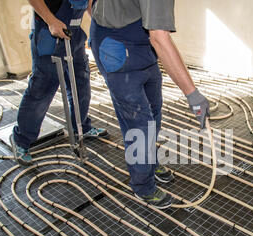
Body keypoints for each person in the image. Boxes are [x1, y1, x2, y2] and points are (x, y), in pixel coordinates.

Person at [89, 0, 210, 209]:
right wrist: (192, 95)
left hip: (142, 47)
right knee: (139, 126)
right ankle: (142, 185)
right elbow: (160, 38)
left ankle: (149, 162)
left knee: (154, 113)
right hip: (115, 47)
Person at [10, 0, 108, 166]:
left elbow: (89, 2)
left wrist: (99, 24)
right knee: (43, 87)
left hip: (74, 34)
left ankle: (81, 126)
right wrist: (51, 21)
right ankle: (21, 140)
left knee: (80, 82)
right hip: (50, 32)